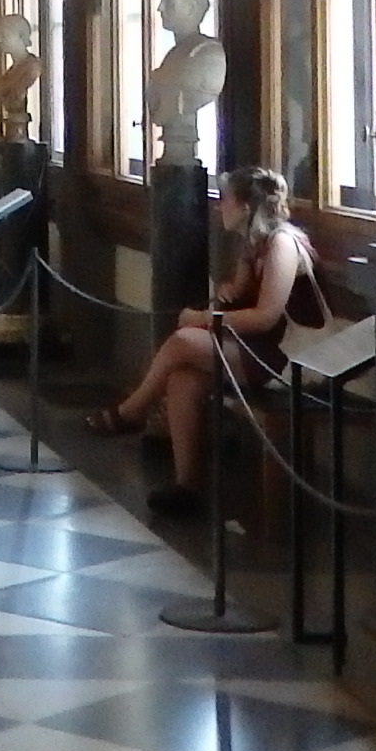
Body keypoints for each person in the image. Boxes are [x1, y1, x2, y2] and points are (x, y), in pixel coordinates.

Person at [80, 166, 322, 515]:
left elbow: (266, 316)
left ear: (245, 207)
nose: (218, 206)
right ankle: (187, 487)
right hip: (262, 348)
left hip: (293, 360)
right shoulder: (255, 245)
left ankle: (132, 411)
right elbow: (244, 299)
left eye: (225, 199)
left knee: (182, 340)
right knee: (182, 380)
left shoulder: (282, 244)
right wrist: (230, 291)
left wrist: (204, 319)